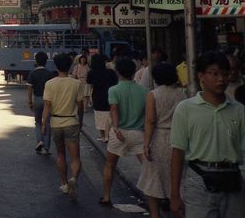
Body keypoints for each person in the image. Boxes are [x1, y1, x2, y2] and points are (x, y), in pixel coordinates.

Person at [170, 51, 245, 218]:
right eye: (215, 73)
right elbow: (177, 152)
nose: (221, 79)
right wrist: (174, 195)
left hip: (233, 181)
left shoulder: (239, 111)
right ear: (201, 76)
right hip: (199, 180)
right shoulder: (185, 109)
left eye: (225, 74)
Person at [136, 63, 186, 218]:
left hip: (159, 138)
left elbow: (150, 120)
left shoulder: (154, 94)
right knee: (178, 179)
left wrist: (146, 144)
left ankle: (155, 214)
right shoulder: (183, 94)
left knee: (154, 180)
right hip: (179, 138)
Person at [100, 58, 148, 207]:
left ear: (118, 72)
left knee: (110, 165)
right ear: (134, 72)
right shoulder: (145, 91)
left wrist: (115, 128)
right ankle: (155, 196)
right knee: (148, 167)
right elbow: (148, 115)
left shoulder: (114, 90)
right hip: (139, 133)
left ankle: (106, 197)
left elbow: (113, 109)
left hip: (119, 133)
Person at [42, 52, 83, 201]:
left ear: (56, 66)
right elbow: (80, 106)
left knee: (60, 154)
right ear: (70, 65)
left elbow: (47, 106)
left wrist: (43, 124)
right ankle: (74, 179)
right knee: (75, 157)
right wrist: (81, 121)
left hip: (56, 123)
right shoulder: (76, 83)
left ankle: (64, 183)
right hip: (72, 122)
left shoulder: (50, 84)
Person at [27, 51, 54, 155]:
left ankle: (40, 141)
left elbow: (29, 88)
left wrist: (30, 101)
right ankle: (46, 148)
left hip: (37, 99)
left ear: (36, 61)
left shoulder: (32, 73)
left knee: (37, 121)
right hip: (48, 100)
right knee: (47, 123)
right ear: (46, 61)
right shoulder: (49, 74)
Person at [87, 54, 117, 143]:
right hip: (109, 95)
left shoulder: (91, 73)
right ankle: (109, 135)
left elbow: (90, 84)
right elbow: (115, 82)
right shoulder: (110, 72)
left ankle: (103, 136)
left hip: (97, 96)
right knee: (109, 115)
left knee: (99, 116)